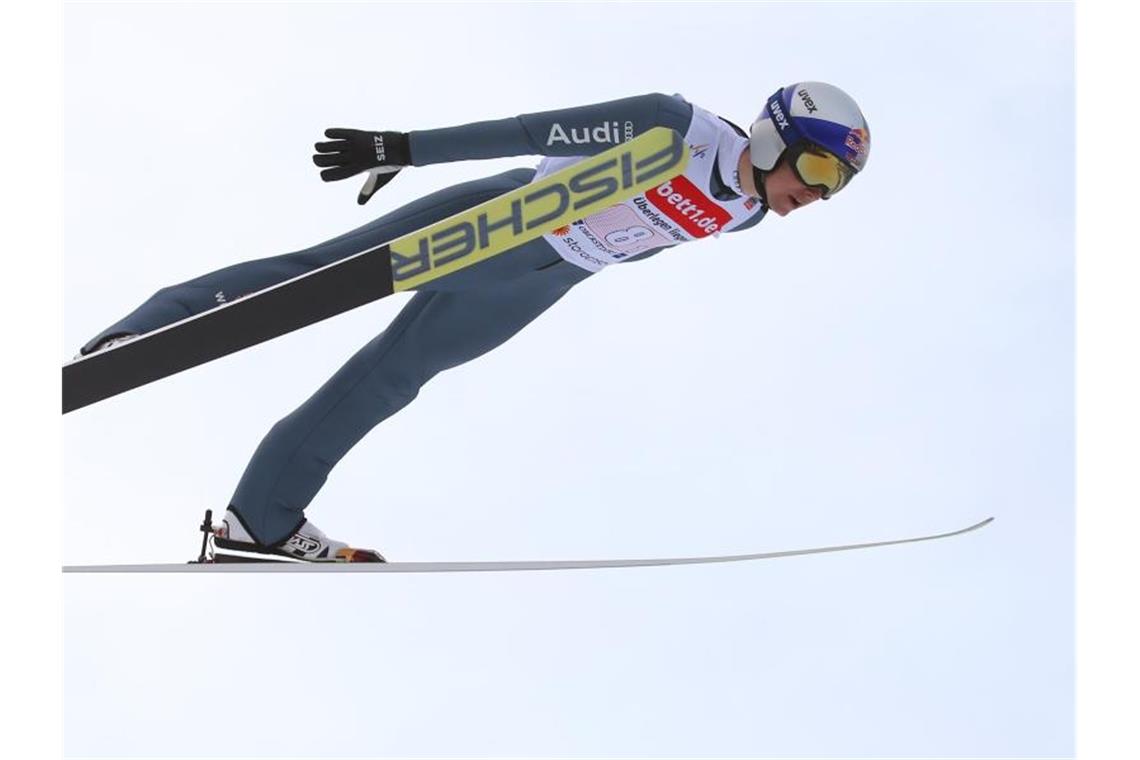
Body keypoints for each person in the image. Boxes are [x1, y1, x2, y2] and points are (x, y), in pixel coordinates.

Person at [79, 82, 871, 563]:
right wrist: (406, 148)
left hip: (542, 280)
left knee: (391, 381)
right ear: (773, 136)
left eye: (833, 187)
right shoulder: (673, 127)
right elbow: (535, 132)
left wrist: (580, 261)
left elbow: (649, 242)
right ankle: (151, 329)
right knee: (320, 274)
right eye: (817, 169)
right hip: (503, 218)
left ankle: (261, 519)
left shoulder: (745, 217)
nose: (817, 193)